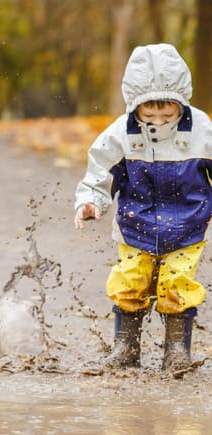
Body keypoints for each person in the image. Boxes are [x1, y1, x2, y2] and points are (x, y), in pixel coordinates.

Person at [74, 43, 212, 371]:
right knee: (128, 281)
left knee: (177, 285)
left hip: (187, 226)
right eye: (149, 115)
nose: (159, 121)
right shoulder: (120, 134)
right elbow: (101, 172)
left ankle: (177, 350)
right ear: (134, 107)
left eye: (169, 114)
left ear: (182, 103)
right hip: (135, 226)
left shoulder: (203, 130)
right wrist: (91, 201)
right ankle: (126, 347)